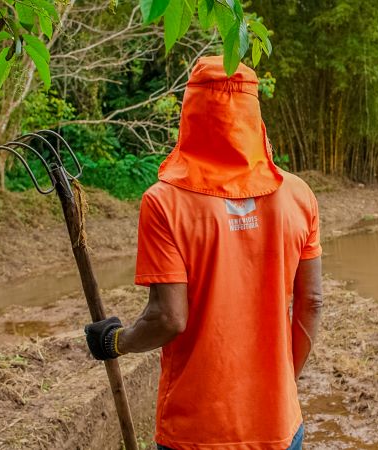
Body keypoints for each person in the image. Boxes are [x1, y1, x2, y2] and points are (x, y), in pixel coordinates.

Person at [84, 55, 323, 450]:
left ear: (191, 114)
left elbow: (168, 318)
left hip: (195, 432)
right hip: (279, 425)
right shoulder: (299, 195)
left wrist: (116, 341)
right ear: (254, 114)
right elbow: (312, 302)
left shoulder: (164, 202)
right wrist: (282, 386)